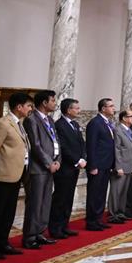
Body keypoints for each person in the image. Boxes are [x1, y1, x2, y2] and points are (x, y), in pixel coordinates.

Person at [0, 93, 33, 259]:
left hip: (17, 174)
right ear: (19, 107)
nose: (30, 109)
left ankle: (2, 242)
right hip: (3, 175)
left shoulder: (19, 123)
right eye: (28, 106)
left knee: (9, 212)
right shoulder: (3, 124)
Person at [21, 90, 61, 249]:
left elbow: (56, 142)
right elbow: (35, 145)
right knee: (35, 203)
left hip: (51, 167)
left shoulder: (49, 119)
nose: (55, 103)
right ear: (44, 103)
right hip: (38, 169)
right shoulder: (31, 120)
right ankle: (29, 237)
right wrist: (48, 163)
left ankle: (39, 233)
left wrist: (57, 160)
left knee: (45, 202)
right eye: (53, 100)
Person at [49, 98, 86, 239]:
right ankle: (55, 228)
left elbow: (82, 143)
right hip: (65, 167)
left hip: (75, 167)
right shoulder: (59, 125)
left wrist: (83, 157)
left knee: (69, 198)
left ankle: (64, 225)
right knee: (60, 198)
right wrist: (76, 160)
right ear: (68, 110)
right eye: (76, 108)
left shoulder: (75, 124)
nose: (79, 110)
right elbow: (63, 147)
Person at [85, 98, 116, 231]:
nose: (114, 108)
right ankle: (91, 221)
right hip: (97, 165)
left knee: (102, 193)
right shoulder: (95, 123)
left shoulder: (108, 122)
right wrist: (92, 166)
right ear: (103, 108)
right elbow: (91, 146)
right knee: (94, 194)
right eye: (111, 106)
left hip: (106, 164)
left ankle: (98, 219)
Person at [109, 109, 132, 224]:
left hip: (129, 165)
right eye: (131, 116)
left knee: (124, 192)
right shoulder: (118, 130)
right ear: (124, 118)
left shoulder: (129, 130)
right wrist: (118, 166)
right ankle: (113, 214)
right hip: (121, 166)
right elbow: (117, 149)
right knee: (116, 191)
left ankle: (121, 212)